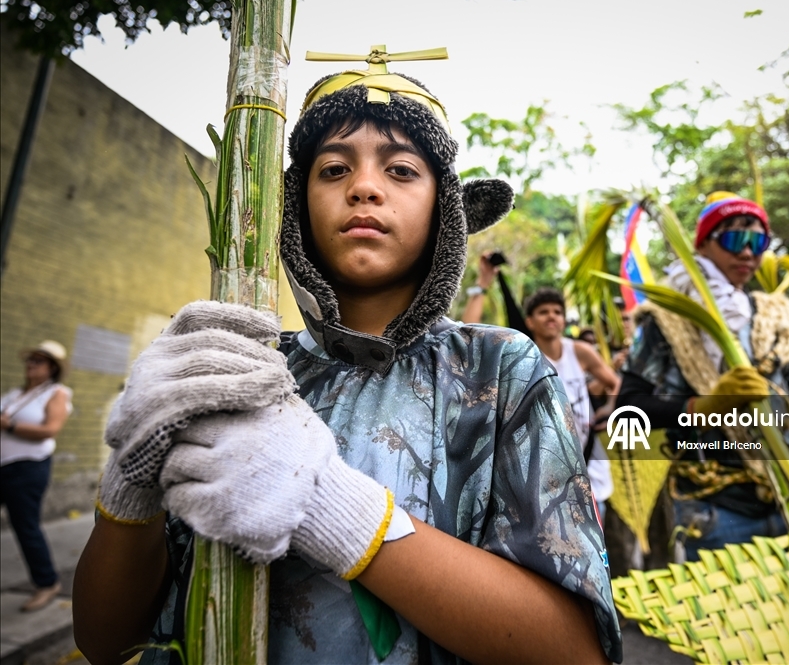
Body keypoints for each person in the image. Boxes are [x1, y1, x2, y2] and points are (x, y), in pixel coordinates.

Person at [73, 60, 620, 664]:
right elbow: (103, 642)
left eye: (402, 170)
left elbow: (574, 652)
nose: (364, 186)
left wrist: (332, 508)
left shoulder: (500, 370)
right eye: (333, 169)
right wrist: (131, 483)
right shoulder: (239, 369)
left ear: (446, 210)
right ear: (295, 205)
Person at [617, 193, 789, 559]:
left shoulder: (779, 318)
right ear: (703, 246)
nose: (748, 253)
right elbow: (630, 407)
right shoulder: (667, 317)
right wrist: (704, 407)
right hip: (717, 508)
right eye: (734, 240)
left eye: (758, 242)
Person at [524, 288, 620, 520]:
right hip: (546, 468)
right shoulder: (525, 355)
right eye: (543, 312)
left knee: (597, 535)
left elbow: (613, 383)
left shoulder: (579, 352)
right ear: (530, 321)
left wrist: (609, 409)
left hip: (588, 461)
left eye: (557, 311)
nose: (551, 316)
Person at [1, 340, 73, 612]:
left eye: (39, 361)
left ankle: (47, 583)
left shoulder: (56, 393)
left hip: (28, 468)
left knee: (26, 528)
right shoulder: (14, 394)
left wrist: (10, 427)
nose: (31, 364)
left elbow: (50, 429)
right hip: (3, 465)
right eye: (30, 359)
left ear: (52, 368)